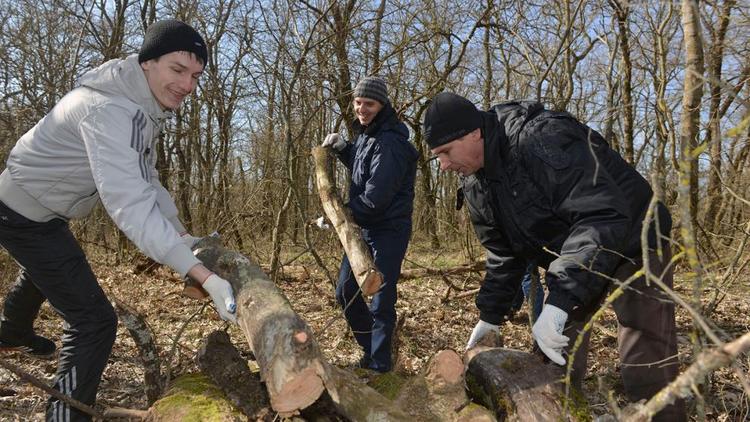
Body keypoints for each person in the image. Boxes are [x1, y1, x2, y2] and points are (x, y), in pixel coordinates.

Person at [0, 19, 237, 421]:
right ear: (147, 62)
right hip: (20, 214)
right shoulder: (109, 109)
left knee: (49, 269)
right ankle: (64, 415)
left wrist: (183, 234)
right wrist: (205, 276)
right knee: (94, 322)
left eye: (195, 75)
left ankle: (11, 331)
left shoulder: (140, 105)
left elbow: (148, 181)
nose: (187, 85)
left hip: (39, 211)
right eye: (177, 70)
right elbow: (129, 202)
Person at [423, 92, 685, 421]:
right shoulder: (476, 184)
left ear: (474, 133)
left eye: (446, 152)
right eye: (438, 157)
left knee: (644, 350)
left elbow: (601, 216)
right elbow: (504, 254)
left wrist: (561, 299)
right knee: (552, 355)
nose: (444, 165)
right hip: (575, 253)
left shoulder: (540, 140)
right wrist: (490, 315)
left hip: (635, 238)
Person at [321, 77, 418, 373]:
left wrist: (338, 215)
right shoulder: (368, 135)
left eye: (369, 104)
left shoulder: (391, 142)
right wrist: (343, 149)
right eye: (358, 102)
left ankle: (379, 367)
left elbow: (376, 197)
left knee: (381, 299)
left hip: (388, 230)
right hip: (364, 228)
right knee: (345, 292)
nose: (362, 109)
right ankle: (370, 350)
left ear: (382, 105)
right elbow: (365, 168)